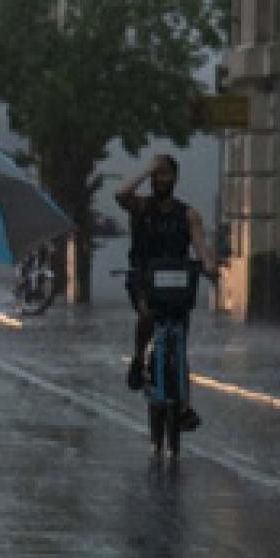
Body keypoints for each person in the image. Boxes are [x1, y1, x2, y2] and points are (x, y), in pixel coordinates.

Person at [114, 153, 216, 432]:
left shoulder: (188, 214)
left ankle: (183, 407)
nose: (161, 180)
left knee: (179, 342)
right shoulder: (140, 207)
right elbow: (121, 194)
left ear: (175, 179)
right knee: (146, 314)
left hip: (177, 284)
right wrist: (147, 169)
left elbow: (200, 246)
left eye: (166, 175)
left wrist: (208, 265)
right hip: (145, 280)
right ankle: (138, 358)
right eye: (157, 175)